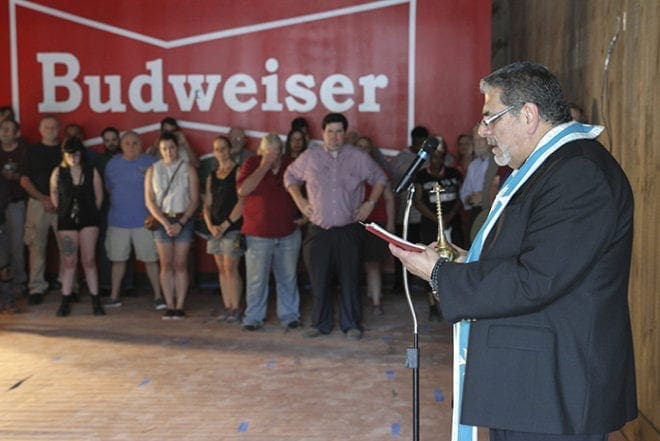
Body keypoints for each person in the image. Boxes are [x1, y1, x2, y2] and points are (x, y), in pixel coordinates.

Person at [389, 61, 637, 441]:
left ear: (528, 115)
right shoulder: (552, 167)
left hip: (555, 389)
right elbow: (535, 256)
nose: (482, 131)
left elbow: (537, 278)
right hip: (533, 386)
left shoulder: (578, 174)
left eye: (491, 118)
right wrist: (464, 261)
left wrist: (441, 274)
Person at [284, 112, 387, 340]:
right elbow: (289, 176)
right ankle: (320, 324)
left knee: (350, 279)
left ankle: (351, 325)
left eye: (339, 131)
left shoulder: (357, 157)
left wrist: (370, 203)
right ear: (323, 133)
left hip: (348, 230)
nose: (334, 136)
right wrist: (300, 201)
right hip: (318, 231)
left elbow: (380, 177)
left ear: (345, 133)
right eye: (330, 131)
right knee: (318, 280)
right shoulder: (310, 156)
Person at [238, 133, 302, 331]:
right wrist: (264, 165)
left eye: (276, 152)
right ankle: (253, 317)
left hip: (288, 231)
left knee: (288, 277)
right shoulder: (251, 163)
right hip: (258, 234)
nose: (273, 156)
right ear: (261, 151)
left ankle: (290, 315)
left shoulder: (290, 164)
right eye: (268, 152)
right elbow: (243, 190)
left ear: (282, 151)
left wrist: (305, 217)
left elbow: (308, 189)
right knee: (256, 279)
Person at [104, 131, 163, 309]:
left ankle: (159, 296)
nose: (131, 146)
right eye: (127, 143)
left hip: (145, 222)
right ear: (121, 145)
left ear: (141, 144)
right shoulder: (112, 164)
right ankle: (114, 297)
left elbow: (159, 192)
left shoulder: (152, 163)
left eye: (135, 143)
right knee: (118, 260)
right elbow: (109, 188)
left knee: (151, 261)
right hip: (118, 221)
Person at [145, 132, 199, 319]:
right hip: (162, 221)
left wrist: (181, 222)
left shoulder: (188, 168)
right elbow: (149, 200)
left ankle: (180, 305)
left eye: (172, 148)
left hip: (183, 218)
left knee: (180, 263)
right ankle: (169, 304)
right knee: (166, 264)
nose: (168, 152)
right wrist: (165, 222)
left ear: (178, 148)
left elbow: (194, 199)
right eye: (164, 148)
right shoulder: (153, 169)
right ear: (160, 150)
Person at [49, 138, 104, 316]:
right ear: (64, 155)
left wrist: (91, 213)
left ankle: (96, 301)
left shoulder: (91, 171)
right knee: (69, 261)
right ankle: (65, 301)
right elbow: (54, 193)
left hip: (88, 219)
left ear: (82, 154)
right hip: (67, 220)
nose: (73, 158)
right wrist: (62, 210)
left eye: (77, 154)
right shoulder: (58, 172)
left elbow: (99, 196)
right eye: (70, 154)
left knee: (89, 260)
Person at [20, 116, 68, 305]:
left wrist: (57, 200)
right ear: (40, 130)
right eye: (47, 127)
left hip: (62, 205)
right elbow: (24, 180)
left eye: (54, 127)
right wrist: (44, 199)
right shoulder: (31, 151)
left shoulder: (66, 151)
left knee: (67, 246)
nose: (50, 129)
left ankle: (68, 285)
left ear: (59, 129)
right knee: (36, 247)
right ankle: (37, 287)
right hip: (37, 204)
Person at [202, 135, 244, 323]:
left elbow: (243, 202)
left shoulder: (238, 171)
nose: (221, 152)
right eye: (217, 149)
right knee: (221, 269)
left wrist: (226, 224)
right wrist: (211, 225)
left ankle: (236, 308)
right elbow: (207, 205)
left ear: (230, 150)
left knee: (231, 267)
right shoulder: (211, 176)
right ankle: (227, 306)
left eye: (224, 148)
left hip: (233, 227)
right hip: (215, 230)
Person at [355, 136, 395, 315]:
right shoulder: (349, 170)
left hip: (375, 223)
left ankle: (376, 302)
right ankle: (366, 298)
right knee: (355, 264)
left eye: (366, 147)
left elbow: (388, 199)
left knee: (372, 264)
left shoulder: (379, 172)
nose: (363, 151)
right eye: (360, 147)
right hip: (353, 223)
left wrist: (391, 224)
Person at [0, 119, 28, 301]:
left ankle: (19, 283)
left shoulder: (24, 151)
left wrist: (16, 176)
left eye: (9, 130)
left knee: (16, 246)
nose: (4, 133)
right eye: (2, 129)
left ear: (17, 133)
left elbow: (31, 174)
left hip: (16, 202)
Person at [459, 124, 491, 245]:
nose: (477, 143)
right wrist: (469, 199)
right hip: (475, 212)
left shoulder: (498, 162)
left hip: (491, 211)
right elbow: (464, 191)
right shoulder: (474, 165)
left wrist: (484, 196)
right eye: (475, 140)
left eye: (481, 139)